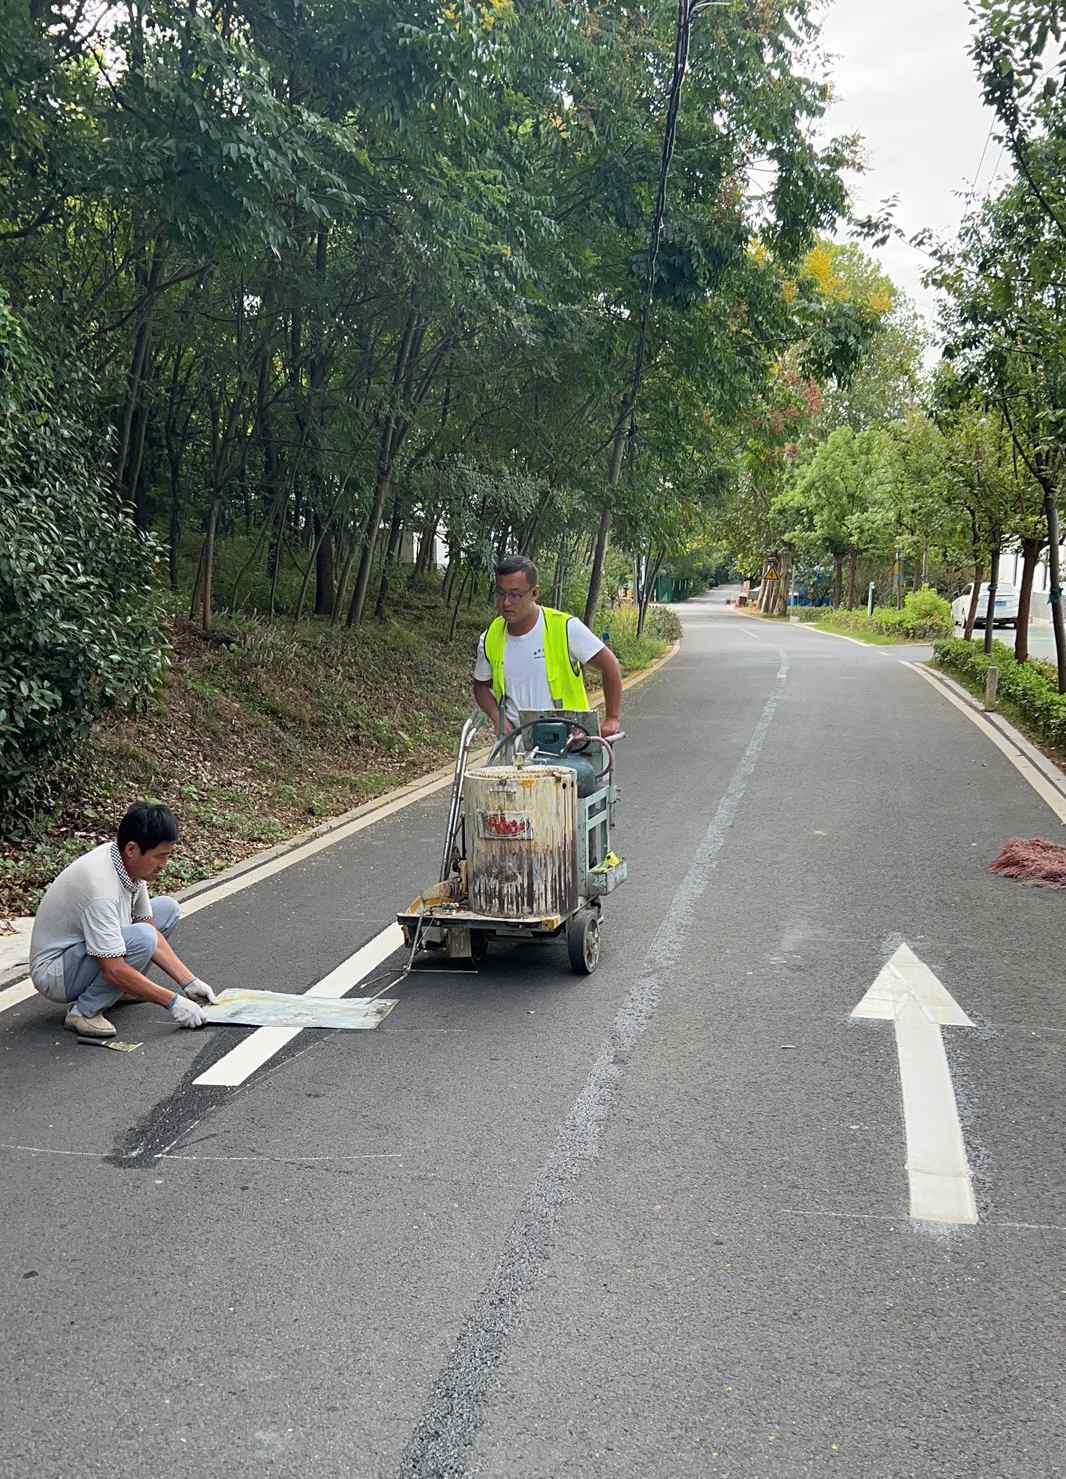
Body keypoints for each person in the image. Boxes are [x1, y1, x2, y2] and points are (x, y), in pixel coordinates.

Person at [29, 803, 219, 1038]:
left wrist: (189, 982)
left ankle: (120, 991)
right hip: (56, 972)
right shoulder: (101, 890)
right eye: (160, 856)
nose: (164, 865)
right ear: (132, 849)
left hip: (85, 951)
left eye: (168, 856)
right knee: (142, 938)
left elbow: (149, 925)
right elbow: (113, 969)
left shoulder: (127, 865)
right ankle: (84, 1012)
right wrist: (173, 1002)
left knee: (167, 909)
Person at [472, 555, 623, 736]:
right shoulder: (490, 637)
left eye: (515, 594)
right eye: (501, 593)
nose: (506, 602)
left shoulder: (566, 628)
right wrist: (497, 716)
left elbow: (610, 665)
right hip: (517, 745)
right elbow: (480, 686)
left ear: (534, 593)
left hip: (569, 741)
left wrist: (612, 717)